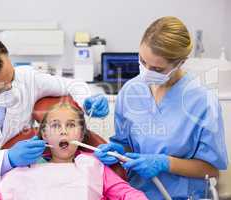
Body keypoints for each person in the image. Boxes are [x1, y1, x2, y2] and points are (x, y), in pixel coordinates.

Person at [0, 34, 109, 200]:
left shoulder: (25, 78)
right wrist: (7, 159)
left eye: (11, 78)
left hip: (16, 188)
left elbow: (72, 85)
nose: (10, 88)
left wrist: (87, 100)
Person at [94, 16, 228, 199]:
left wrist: (166, 163)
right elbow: (125, 145)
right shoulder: (131, 91)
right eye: (142, 61)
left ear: (181, 62)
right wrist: (115, 152)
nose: (147, 71)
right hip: (136, 194)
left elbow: (211, 170)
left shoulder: (202, 100)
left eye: (157, 69)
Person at [0, 103, 148, 200]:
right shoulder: (22, 168)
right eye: (55, 125)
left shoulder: (93, 165)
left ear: (81, 134)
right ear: (44, 135)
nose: (64, 132)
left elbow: (127, 194)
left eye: (70, 125)